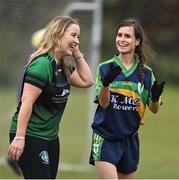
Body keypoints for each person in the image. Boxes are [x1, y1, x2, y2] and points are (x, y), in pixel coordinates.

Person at [8, 15, 94, 179]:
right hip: (31, 135)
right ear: (58, 34)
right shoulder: (42, 64)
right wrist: (19, 138)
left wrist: (76, 53)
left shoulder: (62, 64)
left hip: (51, 136)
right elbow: (27, 102)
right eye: (73, 35)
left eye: (78, 36)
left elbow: (87, 81)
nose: (77, 40)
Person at [89, 18, 165, 179]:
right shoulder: (105, 67)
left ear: (137, 41)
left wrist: (156, 97)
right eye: (119, 35)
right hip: (105, 137)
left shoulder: (147, 73)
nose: (122, 39)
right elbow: (104, 103)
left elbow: (154, 109)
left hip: (130, 139)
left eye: (127, 36)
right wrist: (106, 85)